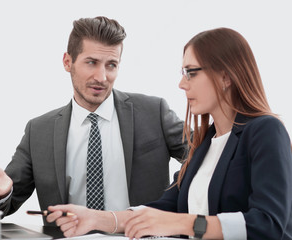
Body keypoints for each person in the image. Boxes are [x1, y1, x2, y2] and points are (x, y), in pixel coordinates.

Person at [46, 27, 292, 239]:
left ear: (225, 76)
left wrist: (184, 223)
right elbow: (167, 206)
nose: (182, 84)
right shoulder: (206, 142)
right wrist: (96, 219)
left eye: (191, 72)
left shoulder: (265, 131)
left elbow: (268, 224)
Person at [0, 16, 188, 225]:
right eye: (91, 62)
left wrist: (174, 196)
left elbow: (205, 155)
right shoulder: (39, 131)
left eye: (111, 64)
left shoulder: (153, 112)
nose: (102, 77)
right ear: (67, 62)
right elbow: (2, 206)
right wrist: (3, 192)